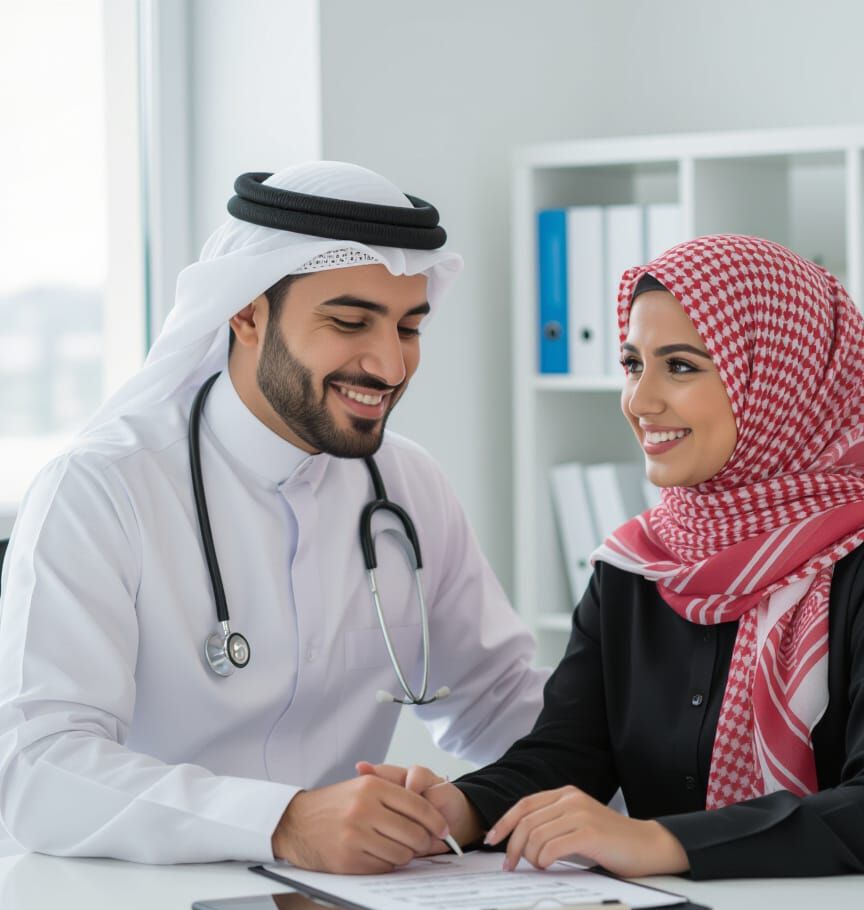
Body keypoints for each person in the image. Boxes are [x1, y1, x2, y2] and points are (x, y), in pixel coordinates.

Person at [369, 234, 864, 880]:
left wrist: (659, 842)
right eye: (632, 364)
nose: (639, 401)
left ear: (776, 381)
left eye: (679, 366)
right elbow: (567, 755)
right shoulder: (636, 564)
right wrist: (457, 809)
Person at [0, 161, 546, 871]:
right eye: (349, 322)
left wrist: (657, 803)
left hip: (350, 905)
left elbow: (500, 703)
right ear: (247, 314)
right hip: (136, 908)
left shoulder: (408, 483)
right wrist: (282, 822)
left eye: (409, 327)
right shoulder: (102, 488)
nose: (390, 365)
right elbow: (40, 767)